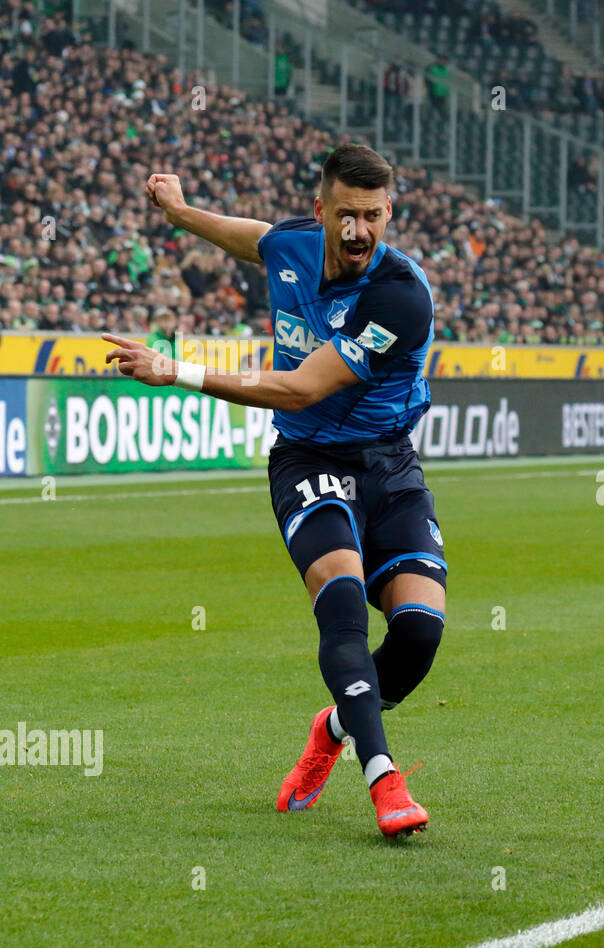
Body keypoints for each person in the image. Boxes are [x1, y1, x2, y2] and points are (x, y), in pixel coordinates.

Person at [102, 144, 445, 840]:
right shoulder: (292, 244)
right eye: (345, 216)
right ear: (321, 212)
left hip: (388, 466)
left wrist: (180, 373)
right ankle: (383, 776)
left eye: (373, 217)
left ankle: (334, 726)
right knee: (344, 601)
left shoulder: (399, 296)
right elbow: (253, 238)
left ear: (391, 213)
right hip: (309, 459)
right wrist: (178, 211)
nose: (358, 233)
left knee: (417, 634)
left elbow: (300, 387)